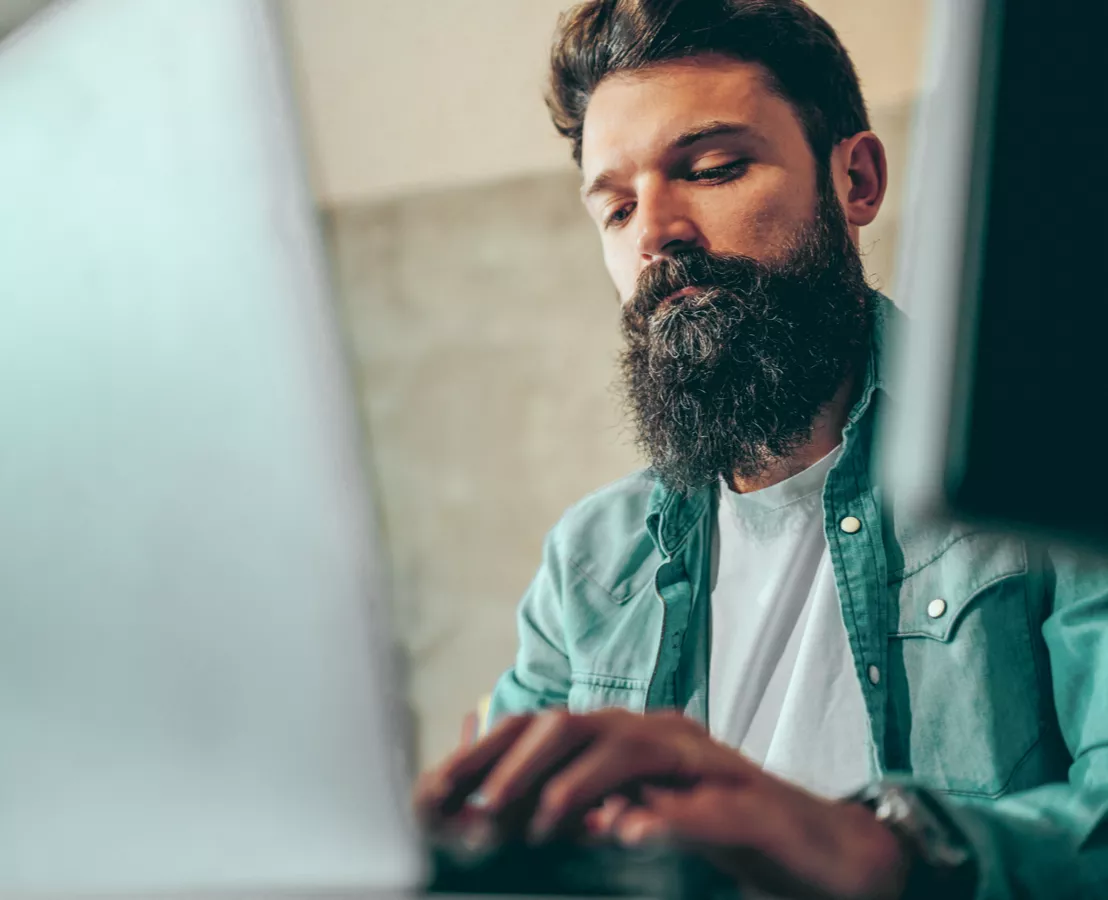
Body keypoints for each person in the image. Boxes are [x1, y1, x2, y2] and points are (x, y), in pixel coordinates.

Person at [416, 2, 1108, 897]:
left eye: (711, 168)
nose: (656, 233)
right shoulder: (586, 566)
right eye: (618, 208)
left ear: (855, 180)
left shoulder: (1057, 470)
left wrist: (874, 849)